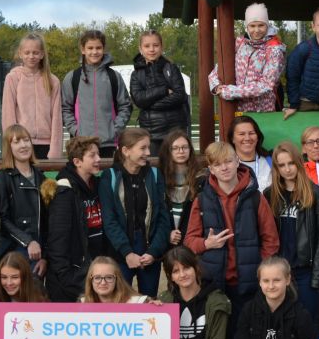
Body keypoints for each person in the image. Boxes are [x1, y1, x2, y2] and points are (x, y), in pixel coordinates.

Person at [184, 141, 279, 329]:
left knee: (245, 335)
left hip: (249, 283)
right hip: (213, 282)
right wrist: (207, 244)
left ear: (237, 161)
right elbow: (189, 241)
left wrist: (260, 270)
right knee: (217, 336)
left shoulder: (255, 197)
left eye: (228, 161)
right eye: (217, 164)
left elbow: (271, 240)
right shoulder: (201, 200)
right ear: (211, 169)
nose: (224, 168)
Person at [99, 128, 172, 298]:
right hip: (121, 251)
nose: (148, 153)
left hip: (149, 250)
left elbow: (163, 217)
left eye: (148, 147)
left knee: (148, 299)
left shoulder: (155, 175)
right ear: (126, 151)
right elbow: (109, 220)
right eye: (143, 148)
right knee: (119, 300)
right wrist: (127, 252)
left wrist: (154, 251)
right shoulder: (109, 176)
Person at [265, 141, 319, 323]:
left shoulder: (315, 193)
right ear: (276, 168)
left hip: (305, 272)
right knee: (281, 322)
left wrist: (317, 278)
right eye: (282, 165)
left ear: (299, 163)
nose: (287, 169)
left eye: (291, 163)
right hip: (279, 271)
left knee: (308, 322)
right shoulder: (269, 195)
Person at [41, 136, 108, 302]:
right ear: (77, 162)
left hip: (94, 271)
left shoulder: (98, 185)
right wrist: (69, 280)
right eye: (92, 155)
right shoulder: (64, 192)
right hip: (72, 282)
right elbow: (58, 242)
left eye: (98, 154)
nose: (98, 159)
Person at [61, 29, 132, 158]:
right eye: (90, 48)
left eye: (98, 48)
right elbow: (65, 108)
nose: (94, 52)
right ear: (83, 49)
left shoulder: (114, 76)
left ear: (103, 49)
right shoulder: (73, 77)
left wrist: (115, 130)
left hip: (108, 143)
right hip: (81, 143)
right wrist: (76, 131)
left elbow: (125, 106)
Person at [0, 125, 50, 277]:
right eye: (17, 142)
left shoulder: (41, 177)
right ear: (8, 147)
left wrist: (45, 256)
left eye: (26, 140)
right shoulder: (2, 177)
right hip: (14, 249)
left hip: (39, 252)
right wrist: (28, 242)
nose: (23, 145)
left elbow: (47, 222)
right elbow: (1, 219)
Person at [209, 2, 286, 113]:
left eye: (261, 25)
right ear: (247, 27)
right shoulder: (240, 44)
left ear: (267, 25)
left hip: (263, 110)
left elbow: (265, 85)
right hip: (238, 109)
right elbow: (219, 68)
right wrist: (216, 86)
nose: (256, 30)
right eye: (252, 26)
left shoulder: (274, 50)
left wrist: (230, 92)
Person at [1, 32, 63, 159]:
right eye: (27, 52)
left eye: (35, 52)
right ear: (20, 53)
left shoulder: (53, 81)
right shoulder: (13, 78)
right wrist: (12, 144)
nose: (31, 56)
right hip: (21, 143)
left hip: (46, 145)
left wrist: (55, 150)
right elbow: (8, 114)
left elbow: (57, 117)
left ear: (42, 54)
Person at [130, 30, 189, 155]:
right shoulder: (136, 74)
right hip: (151, 133)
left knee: (177, 166)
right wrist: (164, 91)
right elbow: (139, 99)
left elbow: (179, 96)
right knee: (153, 165)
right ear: (140, 49)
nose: (152, 49)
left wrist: (150, 105)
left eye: (155, 45)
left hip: (176, 129)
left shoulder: (171, 68)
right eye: (147, 46)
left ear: (161, 47)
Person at [157, 130, 203, 248]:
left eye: (184, 147)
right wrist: (167, 234)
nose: (181, 151)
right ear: (168, 151)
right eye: (175, 148)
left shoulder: (201, 179)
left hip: (192, 242)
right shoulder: (159, 178)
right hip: (167, 244)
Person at [228, 115, 273, 190]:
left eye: (251, 133)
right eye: (241, 134)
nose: (247, 138)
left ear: (257, 137)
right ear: (232, 139)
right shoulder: (225, 166)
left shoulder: (270, 161)